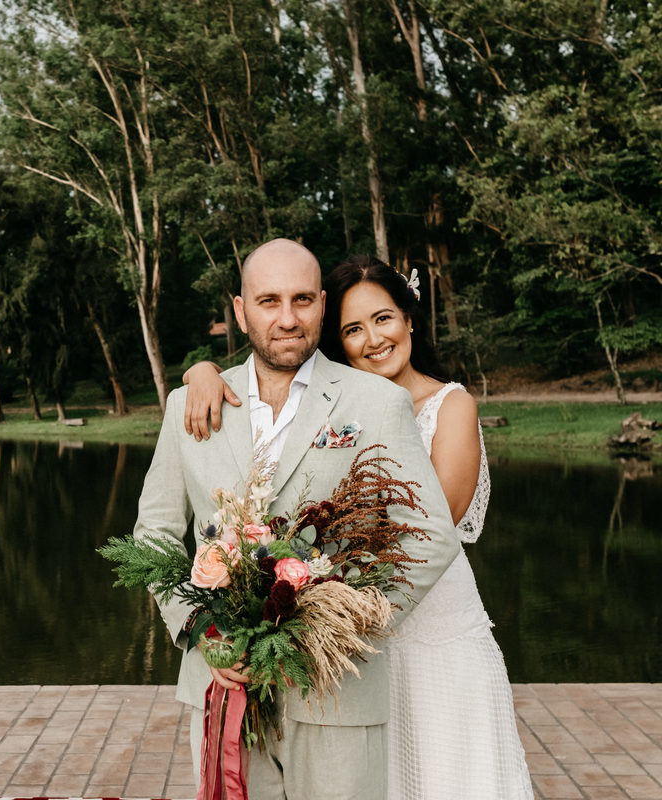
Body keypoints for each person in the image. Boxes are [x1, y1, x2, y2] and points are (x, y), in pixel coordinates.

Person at [183, 254, 533, 800]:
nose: (373, 339)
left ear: (409, 318)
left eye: (383, 318)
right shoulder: (331, 403)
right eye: (353, 329)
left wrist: (339, 607)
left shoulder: (449, 404)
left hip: (423, 620)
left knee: (449, 773)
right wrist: (201, 372)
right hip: (339, 634)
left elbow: (430, 527)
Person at [133, 239, 460, 800]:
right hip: (224, 688)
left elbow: (430, 535)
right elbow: (154, 535)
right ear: (241, 311)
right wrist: (202, 629)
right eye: (269, 301)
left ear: (322, 306)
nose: (287, 318)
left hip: (336, 694)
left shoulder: (376, 401)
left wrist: (339, 625)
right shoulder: (189, 406)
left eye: (303, 300)